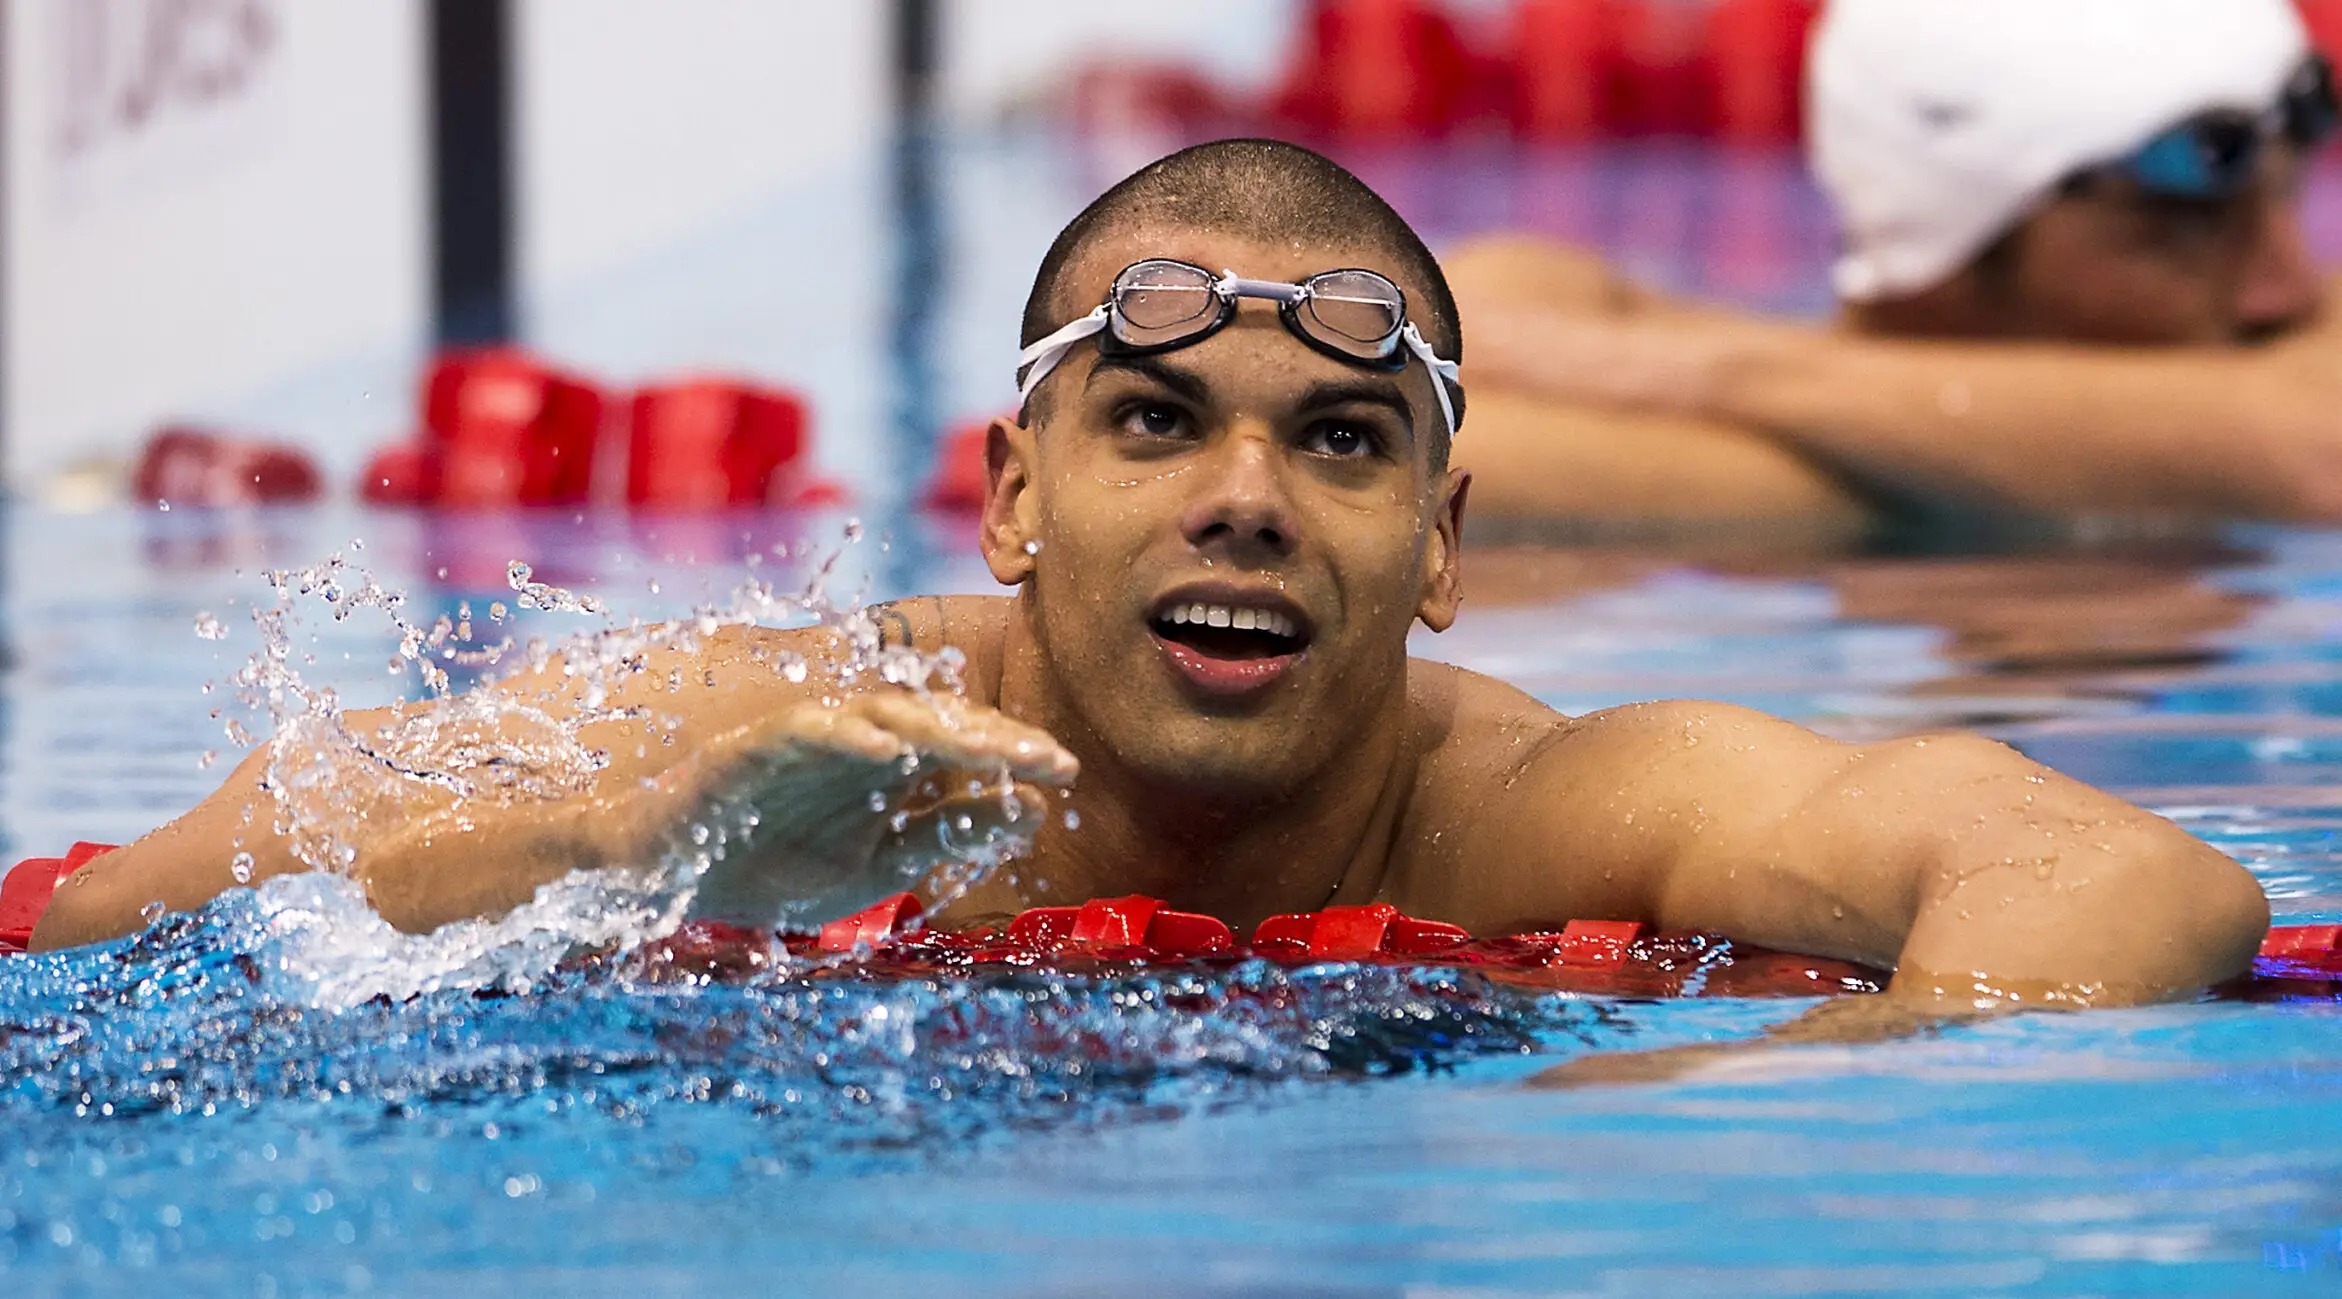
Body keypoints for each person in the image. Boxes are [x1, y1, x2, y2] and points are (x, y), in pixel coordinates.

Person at [30, 141, 2267, 1043]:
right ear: (1010, 499)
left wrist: (1742, 1089)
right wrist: (649, 853)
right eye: (1155, 420)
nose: (1249, 496)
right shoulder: (784, 714)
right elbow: (138, 903)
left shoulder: (1540, 818)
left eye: (1341, 440)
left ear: (1447, 547)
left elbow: (2119, 881)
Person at [1455, 0, 2342, 530]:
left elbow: (2315, 450)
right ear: (1950, 254)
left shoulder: (1639, 368)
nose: (2288, 286)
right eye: (2184, 230)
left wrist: (1688, 372)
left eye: (2287, 196)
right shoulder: (1557, 300)